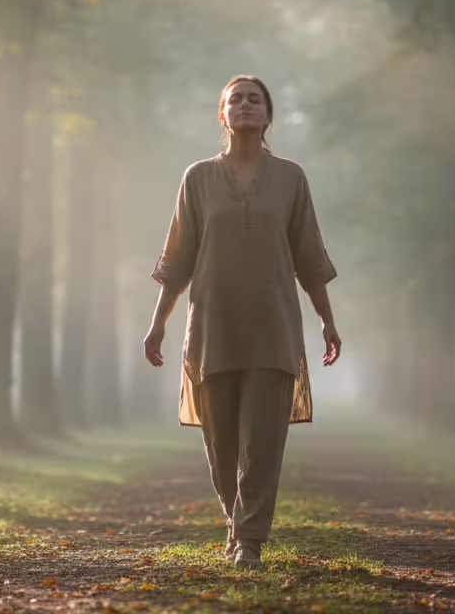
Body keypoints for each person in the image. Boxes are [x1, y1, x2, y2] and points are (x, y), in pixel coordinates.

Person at [143, 75, 342, 569]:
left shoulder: (291, 178)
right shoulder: (197, 178)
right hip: (213, 326)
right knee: (222, 443)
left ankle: (249, 539)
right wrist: (158, 323)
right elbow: (178, 260)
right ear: (223, 114)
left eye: (256, 99)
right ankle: (235, 522)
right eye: (236, 99)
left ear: (268, 115)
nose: (246, 105)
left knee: (263, 440)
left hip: (274, 325)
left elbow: (309, 257)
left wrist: (327, 321)